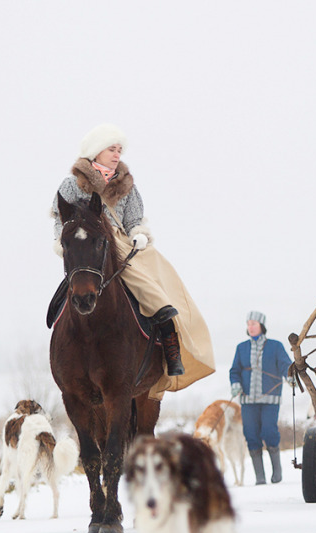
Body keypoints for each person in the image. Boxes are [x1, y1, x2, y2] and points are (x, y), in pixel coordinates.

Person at [51, 123, 215, 391]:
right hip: (85, 248)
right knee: (71, 288)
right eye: (111, 149)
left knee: (155, 288)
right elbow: (60, 218)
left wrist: (138, 232)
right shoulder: (71, 184)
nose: (117, 155)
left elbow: (134, 218)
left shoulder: (126, 183)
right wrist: (63, 244)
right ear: (96, 152)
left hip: (122, 245)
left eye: (119, 150)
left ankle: (171, 347)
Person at [230, 311, 293, 484]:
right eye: (248, 323)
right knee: (250, 434)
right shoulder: (241, 348)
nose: (250, 327)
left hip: (270, 399)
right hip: (247, 400)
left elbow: (286, 366)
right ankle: (260, 477)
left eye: (254, 323)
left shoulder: (276, 346)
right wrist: (235, 384)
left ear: (262, 326)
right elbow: (234, 371)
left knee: (269, 431)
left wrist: (290, 377)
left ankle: (277, 472)